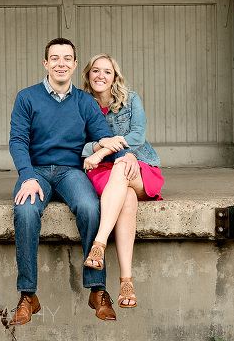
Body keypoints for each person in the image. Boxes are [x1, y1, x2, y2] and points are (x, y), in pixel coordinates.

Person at [8, 38, 141, 325]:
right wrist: (27, 176)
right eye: (55, 58)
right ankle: (27, 294)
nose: (61, 64)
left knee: (92, 207)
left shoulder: (83, 101)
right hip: (37, 172)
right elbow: (17, 140)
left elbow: (101, 134)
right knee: (25, 211)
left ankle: (98, 290)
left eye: (67, 58)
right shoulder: (27, 97)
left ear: (75, 64)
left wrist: (126, 153)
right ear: (45, 63)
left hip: (71, 171)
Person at [80, 54, 164, 309]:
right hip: (104, 172)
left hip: (137, 165)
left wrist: (105, 151)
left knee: (122, 165)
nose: (100, 76)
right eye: (95, 71)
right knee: (126, 197)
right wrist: (95, 147)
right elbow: (74, 144)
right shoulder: (81, 104)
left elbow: (137, 135)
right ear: (87, 75)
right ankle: (126, 281)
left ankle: (99, 243)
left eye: (107, 71)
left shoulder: (131, 99)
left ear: (115, 77)